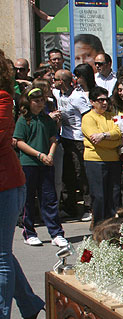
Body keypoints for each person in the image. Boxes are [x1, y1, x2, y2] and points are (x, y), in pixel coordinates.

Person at [0, 49, 45, 319]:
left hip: (6, 184)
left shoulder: (3, 98)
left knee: (1, 257)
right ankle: (29, 305)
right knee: (2, 254)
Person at [13, 86, 67, 247]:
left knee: (49, 199)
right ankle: (29, 232)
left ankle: (56, 233)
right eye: (36, 100)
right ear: (29, 102)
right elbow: (20, 141)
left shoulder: (47, 120)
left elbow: (54, 138)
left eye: (42, 100)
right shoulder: (24, 120)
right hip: (29, 164)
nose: (40, 103)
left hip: (46, 164)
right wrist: (39, 154)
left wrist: (50, 154)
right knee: (28, 199)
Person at [52, 69, 93, 220]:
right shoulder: (58, 94)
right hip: (64, 138)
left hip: (78, 140)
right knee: (66, 175)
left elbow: (88, 116)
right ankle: (69, 207)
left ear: (61, 81)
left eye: (55, 79)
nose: (53, 81)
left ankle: (88, 207)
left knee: (81, 173)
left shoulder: (77, 97)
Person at [82, 86, 122, 225]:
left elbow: (119, 132)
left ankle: (111, 224)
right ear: (92, 102)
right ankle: (98, 225)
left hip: (113, 160)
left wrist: (104, 135)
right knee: (99, 196)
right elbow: (95, 139)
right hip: (95, 160)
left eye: (106, 99)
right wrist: (115, 142)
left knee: (113, 194)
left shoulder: (112, 117)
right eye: (100, 100)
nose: (104, 103)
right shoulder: (88, 118)